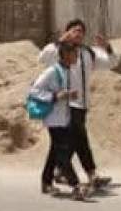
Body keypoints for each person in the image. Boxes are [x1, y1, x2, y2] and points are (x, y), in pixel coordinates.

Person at [38, 19, 116, 190]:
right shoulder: (59, 50)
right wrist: (61, 40)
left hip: (82, 105)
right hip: (65, 105)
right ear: (67, 32)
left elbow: (112, 63)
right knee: (77, 141)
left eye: (81, 30)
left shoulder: (88, 53)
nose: (78, 33)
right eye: (74, 30)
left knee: (66, 144)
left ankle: (53, 176)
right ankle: (88, 175)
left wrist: (107, 47)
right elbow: (43, 57)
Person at [29, 41, 87, 200]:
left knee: (56, 152)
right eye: (75, 54)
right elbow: (34, 90)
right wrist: (55, 96)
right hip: (53, 118)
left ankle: (46, 182)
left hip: (64, 118)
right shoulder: (52, 71)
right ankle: (75, 185)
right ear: (66, 55)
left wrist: (68, 95)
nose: (77, 57)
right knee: (62, 152)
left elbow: (63, 93)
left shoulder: (68, 71)